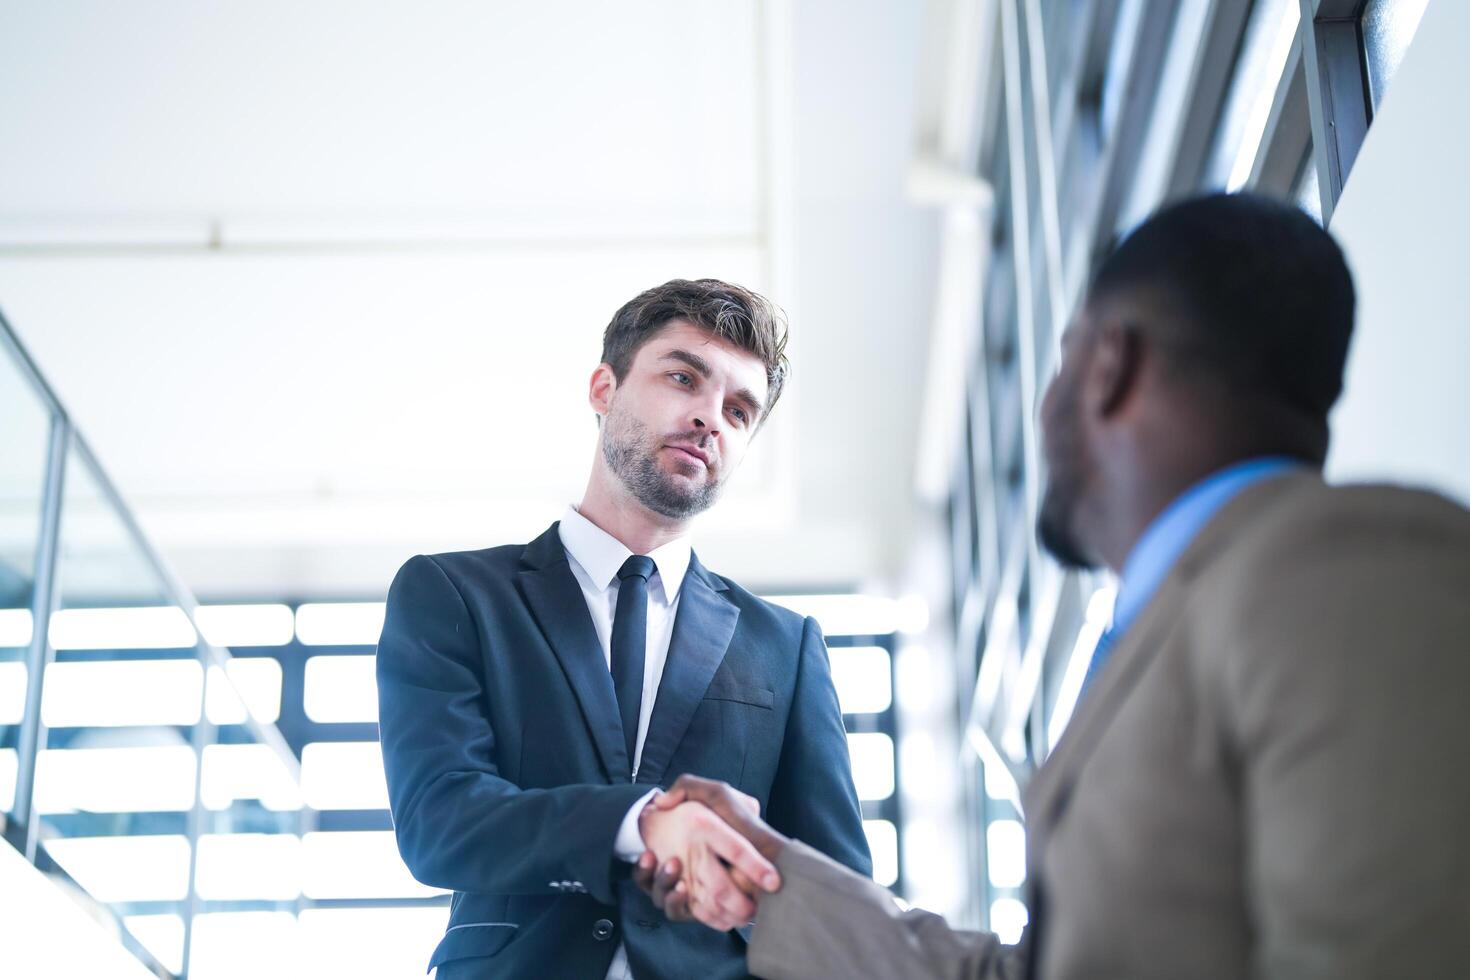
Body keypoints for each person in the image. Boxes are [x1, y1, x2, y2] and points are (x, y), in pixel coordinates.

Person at [635, 194, 1470, 979]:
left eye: (1063, 360)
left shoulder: (1352, 567)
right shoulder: (1175, 628)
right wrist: (765, 872)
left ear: (1110, 364)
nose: (1044, 408)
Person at [375, 278, 870, 979]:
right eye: (682, 378)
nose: (710, 418)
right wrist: (640, 826)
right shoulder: (454, 595)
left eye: (738, 410)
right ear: (603, 388)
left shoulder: (785, 648)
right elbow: (440, 820)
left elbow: (833, 892)